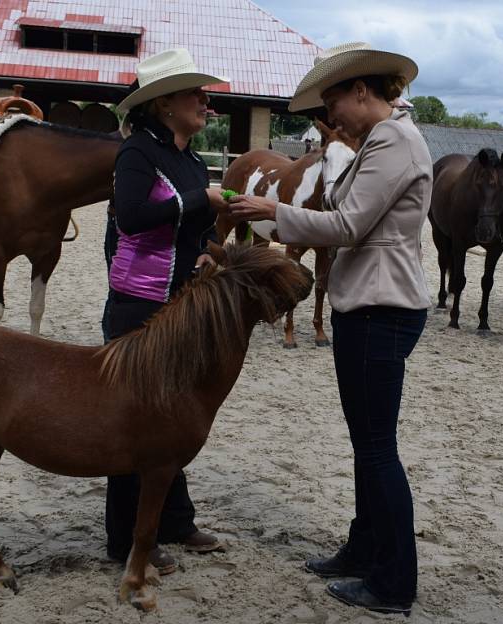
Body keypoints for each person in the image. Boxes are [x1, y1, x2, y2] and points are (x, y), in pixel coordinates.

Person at [227, 42, 431, 616]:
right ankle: (365, 550)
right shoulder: (380, 140)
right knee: (368, 445)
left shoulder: (391, 139)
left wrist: (272, 213)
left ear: (362, 90)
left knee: (376, 449)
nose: (329, 116)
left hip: (378, 305)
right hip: (370, 302)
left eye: (334, 100)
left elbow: (348, 223)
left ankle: (393, 582)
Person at [105, 47, 231, 574]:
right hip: (138, 307)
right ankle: (123, 539)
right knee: (136, 426)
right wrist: (199, 199)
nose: (205, 100)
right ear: (163, 105)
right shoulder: (137, 153)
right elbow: (131, 218)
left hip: (180, 306)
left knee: (174, 418)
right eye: (194, 93)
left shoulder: (190, 159)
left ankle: (175, 521)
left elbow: (196, 227)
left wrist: (204, 247)